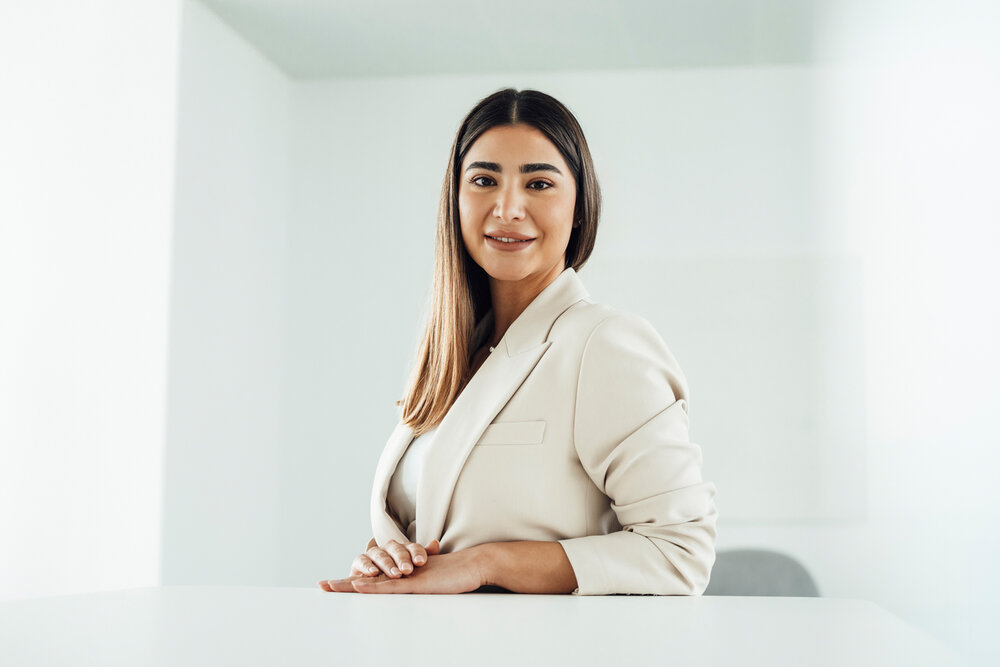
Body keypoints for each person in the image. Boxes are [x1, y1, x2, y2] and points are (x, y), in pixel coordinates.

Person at [319, 89, 717, 595]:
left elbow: (680, 553)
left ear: (578, 207)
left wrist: (486, 564)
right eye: (484, 180)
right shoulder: (455, 358)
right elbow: (446, 529)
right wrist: (395, 558)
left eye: (539, 183)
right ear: (455, 200)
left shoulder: (604, 344)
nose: (507, 208)